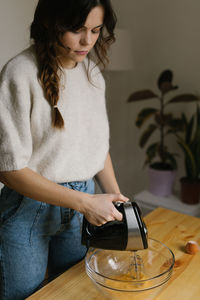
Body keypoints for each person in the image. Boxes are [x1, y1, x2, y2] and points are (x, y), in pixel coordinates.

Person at [0, 0, 129, 299]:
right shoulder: (18, 73)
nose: (88, 41)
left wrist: (119, 203)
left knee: (74, 293)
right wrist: (84, 202)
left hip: (81, 210)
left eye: (96, 30)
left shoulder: (93, 75)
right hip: (28, 209)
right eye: (76, 30)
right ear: (50, 24)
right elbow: (8, 170)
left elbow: (96, 150)